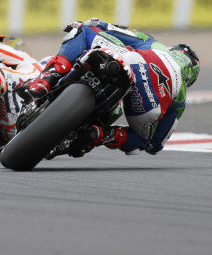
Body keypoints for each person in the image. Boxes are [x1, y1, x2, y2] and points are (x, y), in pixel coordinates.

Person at [17, 18, 200, 157]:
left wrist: (95, 23)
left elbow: (112, 29)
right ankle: (102, 134)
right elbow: (156, 145)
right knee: (145, 140)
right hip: (149, 103)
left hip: (136, 62)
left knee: (84, 29)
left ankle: (44, 80)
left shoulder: (157, 46)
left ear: (174, 50)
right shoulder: (181, 95)